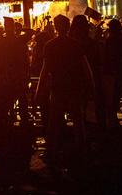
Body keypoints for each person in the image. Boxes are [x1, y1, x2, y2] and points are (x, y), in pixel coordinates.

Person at [36, 15, 94, 163]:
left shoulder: (50, 45)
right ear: (68, 27)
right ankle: (82, 151)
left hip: (58, 89)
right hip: (74, 88)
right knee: (78, 121)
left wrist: (39, 90)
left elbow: (45, 70)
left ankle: (52, 152)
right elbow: (86, 67)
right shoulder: (76, 45)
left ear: (56, 27)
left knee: (54, 123)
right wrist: (91, 85)